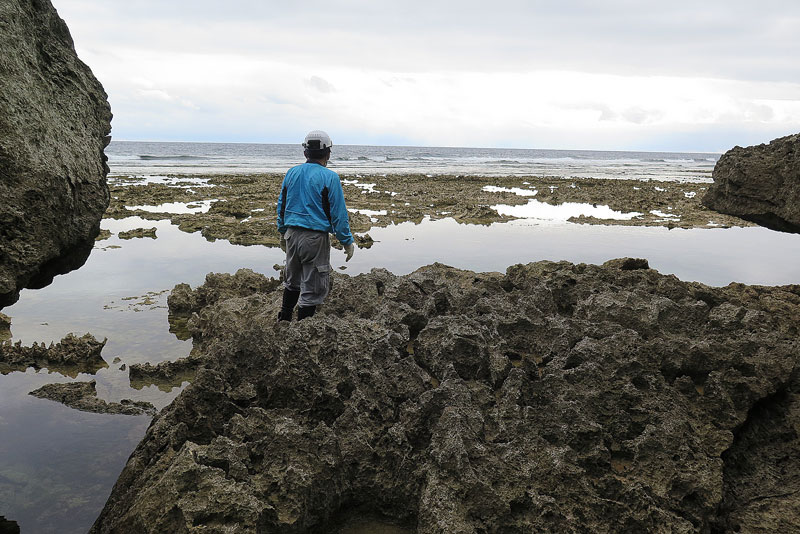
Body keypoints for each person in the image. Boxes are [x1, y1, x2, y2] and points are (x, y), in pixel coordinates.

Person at [276, 130, 355, 321]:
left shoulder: (292, 173)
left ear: (305, 153)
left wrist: (282, 231)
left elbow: (282, 204)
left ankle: (284, 319)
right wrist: (347, 241)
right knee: (312, 287)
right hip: (315, 239)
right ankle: (304, 330)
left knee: (292, 280)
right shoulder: (330, 178)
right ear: (328, 153)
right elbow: (338, 214)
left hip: (292, 234)